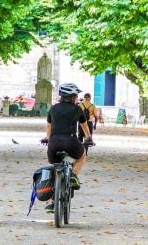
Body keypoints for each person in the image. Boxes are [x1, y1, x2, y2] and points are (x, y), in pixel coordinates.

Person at [42, 83, 92, 213]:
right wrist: (88, 138)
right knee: (81, 156)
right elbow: (84, 125)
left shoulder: (53, 109)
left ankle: (51, 201)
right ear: (73, 97)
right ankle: (73, 175)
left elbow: (49, 127)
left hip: (54, 143)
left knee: (54, 165)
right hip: (71, 142)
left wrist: (48, 139)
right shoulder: (77, 109)